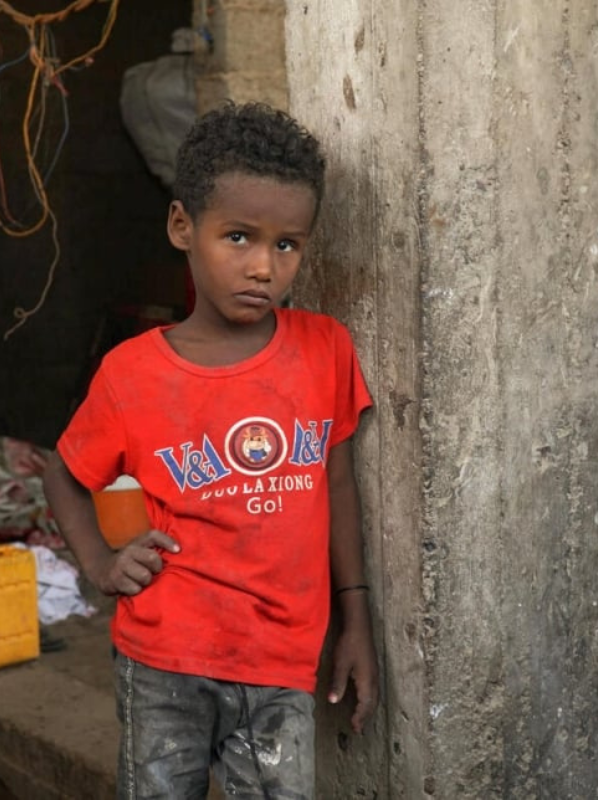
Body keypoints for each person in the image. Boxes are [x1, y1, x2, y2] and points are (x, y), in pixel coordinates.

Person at [43, 101, 379, 799]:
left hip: (281, 660)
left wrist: (357, 619)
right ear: (181, 228)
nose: (262, 266)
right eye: (238, 237)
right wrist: (101, 564)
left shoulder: (325, 351)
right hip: (164, 658)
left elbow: (337, 487)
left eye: (287, 244)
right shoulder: (132, 374)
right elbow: (66, 474)